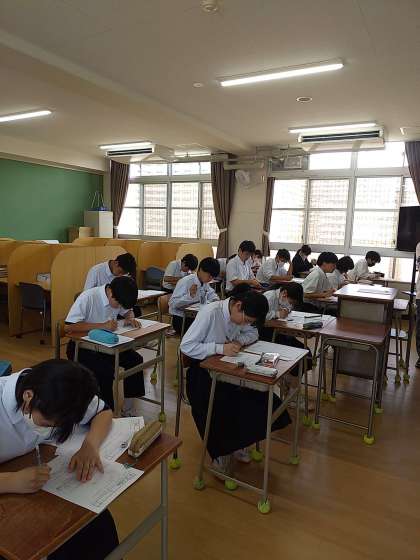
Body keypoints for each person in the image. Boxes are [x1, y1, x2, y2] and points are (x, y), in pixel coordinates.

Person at [0, 359, 118, 560]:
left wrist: (90, 445)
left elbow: (103, 411)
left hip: (36, 477)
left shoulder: (65, 394)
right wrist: (11, 481)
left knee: (96, 526)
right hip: (9, 488)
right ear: (28, 396)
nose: (53, 430)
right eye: (47, 424)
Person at [180, 289, 291, 475]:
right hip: (201, 369)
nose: (246, 324)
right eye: (246, 320)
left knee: (264, 398)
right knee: (217, 402)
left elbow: (253, 333)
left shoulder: (241, 314)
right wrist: (219, 348)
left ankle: (238, 443)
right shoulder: (211, 313)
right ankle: (220, 452)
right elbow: (186, 346)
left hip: (228, 367)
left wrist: (239, 341)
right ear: (238, 306)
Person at [65, 276, 143, 414]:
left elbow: (128, 310)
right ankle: (107, 413)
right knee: (105, 372)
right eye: (118, 304)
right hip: (82, 347)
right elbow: (69, 327)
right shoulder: (88, 297)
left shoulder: (118, 296)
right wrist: (102, 326)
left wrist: (130, 318)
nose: (119, 307)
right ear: (110, 292)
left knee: (135, 360)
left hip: (108, 346)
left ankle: (128, 408)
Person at [258, 283, 313, 376]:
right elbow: (258, 319)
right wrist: (276, 314)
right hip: (265, 333)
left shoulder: (282, 298)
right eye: (291, 302)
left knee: (306, 352)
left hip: (278, 331)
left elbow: (288, 308)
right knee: (295, 355)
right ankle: (288, 378)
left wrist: (286, 310)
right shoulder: (269, 297)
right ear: (284, 293)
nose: (290, 305)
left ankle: (292, 380)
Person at [169, 257, 220, 335]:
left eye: (213, 277)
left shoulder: (204, 282)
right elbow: (173, 303)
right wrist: (189, 296)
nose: (210, 279)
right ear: (201, 270)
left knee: (215, 323)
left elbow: (211, 294)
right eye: (209, 276)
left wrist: (215, 300)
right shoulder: (186, 281)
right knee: (209, 329)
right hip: (181, 320)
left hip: (196, 317)